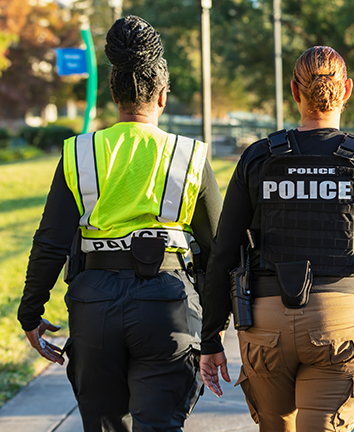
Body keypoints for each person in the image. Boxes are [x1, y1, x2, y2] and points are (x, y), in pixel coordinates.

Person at [199, 46, 354, 431]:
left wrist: (211, 339)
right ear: (347, 90)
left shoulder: (258, 158)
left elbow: (224, 252)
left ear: (295, 91)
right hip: (337, 324)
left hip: (263, 323)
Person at [17, 16, 222, 432]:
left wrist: (30, 312)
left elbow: (51, 242)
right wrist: (217, 333)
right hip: (168, 306)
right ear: (162, 97)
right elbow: (219, 250)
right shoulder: (189, 156)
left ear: (114, 94)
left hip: (95, 306)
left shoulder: (80, 153)